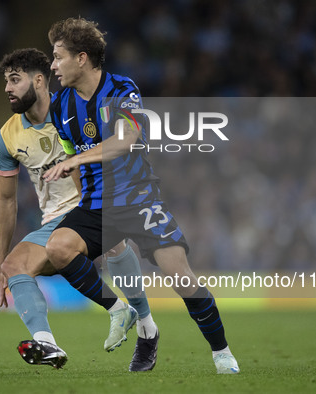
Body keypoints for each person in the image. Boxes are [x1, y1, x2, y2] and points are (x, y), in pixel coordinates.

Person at [43, 18, 240, 374]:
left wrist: (74, 159)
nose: (53, 65)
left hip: (138, 200)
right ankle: (123, 311)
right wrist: (77, 188)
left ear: (82, 58)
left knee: (182, 278)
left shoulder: (122, 89)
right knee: (57, 248)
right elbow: (72, 159)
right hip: (96, 206)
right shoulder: (60, 107)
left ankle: (221, 351)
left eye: (58, 57)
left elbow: (124, 141)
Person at [0, 48, 159, 371]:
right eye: (6, 81)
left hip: (95, 205)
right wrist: (0, 258)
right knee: (15, 266)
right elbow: (6, 200)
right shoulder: (7, 137)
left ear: (39, 80)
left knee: (114, 243)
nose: (7, 89)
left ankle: (145, 324)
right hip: (55, 221)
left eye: (15, 80)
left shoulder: (75, 108)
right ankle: (48, 344)